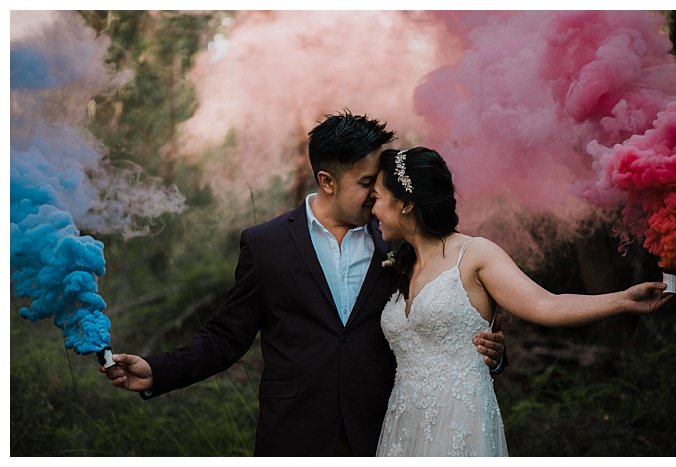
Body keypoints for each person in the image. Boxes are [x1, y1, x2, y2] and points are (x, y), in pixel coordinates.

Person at [101, 112, 506, 456]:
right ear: (327, 181)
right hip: (295, 433)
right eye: (366, 183)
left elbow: (445, 320)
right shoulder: (266, 245)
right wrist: (157, 370)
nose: (377, 196)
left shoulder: (400, 241)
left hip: (385, 430)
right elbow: (226, 337)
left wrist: (490, 353)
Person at [370, 146, 676, 457]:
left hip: (459, 418)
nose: (373, 208)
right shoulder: (399, 265)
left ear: (407, 203)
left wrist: (623, 299)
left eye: (378, 197)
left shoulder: (474, 254)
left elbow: (546, 305)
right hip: (404, 420)